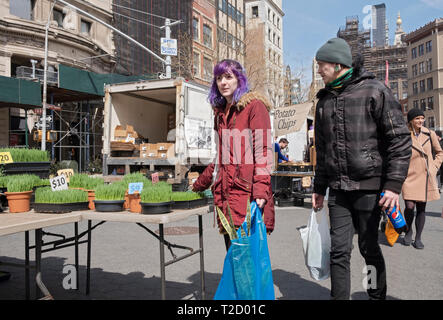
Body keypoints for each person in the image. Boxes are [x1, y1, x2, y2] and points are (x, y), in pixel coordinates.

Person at [311, 38, 412, 300]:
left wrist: (392, 186)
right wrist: (319, 188)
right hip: (338, 190)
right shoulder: (323, 102)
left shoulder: (375, 91)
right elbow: (322, 151)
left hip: (370, 186)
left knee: (369, 248)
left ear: (337, 64)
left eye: (321, 65)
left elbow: (399, 140)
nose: (319, 70)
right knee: (338, 252)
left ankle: (375, 297)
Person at [192, 59, 275, 251]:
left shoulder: (254, 106)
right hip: (226, 196)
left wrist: (261, 190)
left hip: (247, 196)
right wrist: (197, 186)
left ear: (240, 79)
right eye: (219, 78)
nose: (223, 82)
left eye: (228, 77)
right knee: (234, 258)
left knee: (246, 261)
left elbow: (263, 152)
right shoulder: (220, 114)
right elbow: (220, 158)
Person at [401, 109, 443, 249]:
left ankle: (418, 238)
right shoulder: (404, 134)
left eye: (422, 118)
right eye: (417, 118)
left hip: (425, 175)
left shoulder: (429, 134)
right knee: (409, 206)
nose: (420, 121)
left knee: (421, 208)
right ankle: (408, 231)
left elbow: (439, 153)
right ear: (411, 120)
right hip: (409, 176)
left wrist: (434, 167)